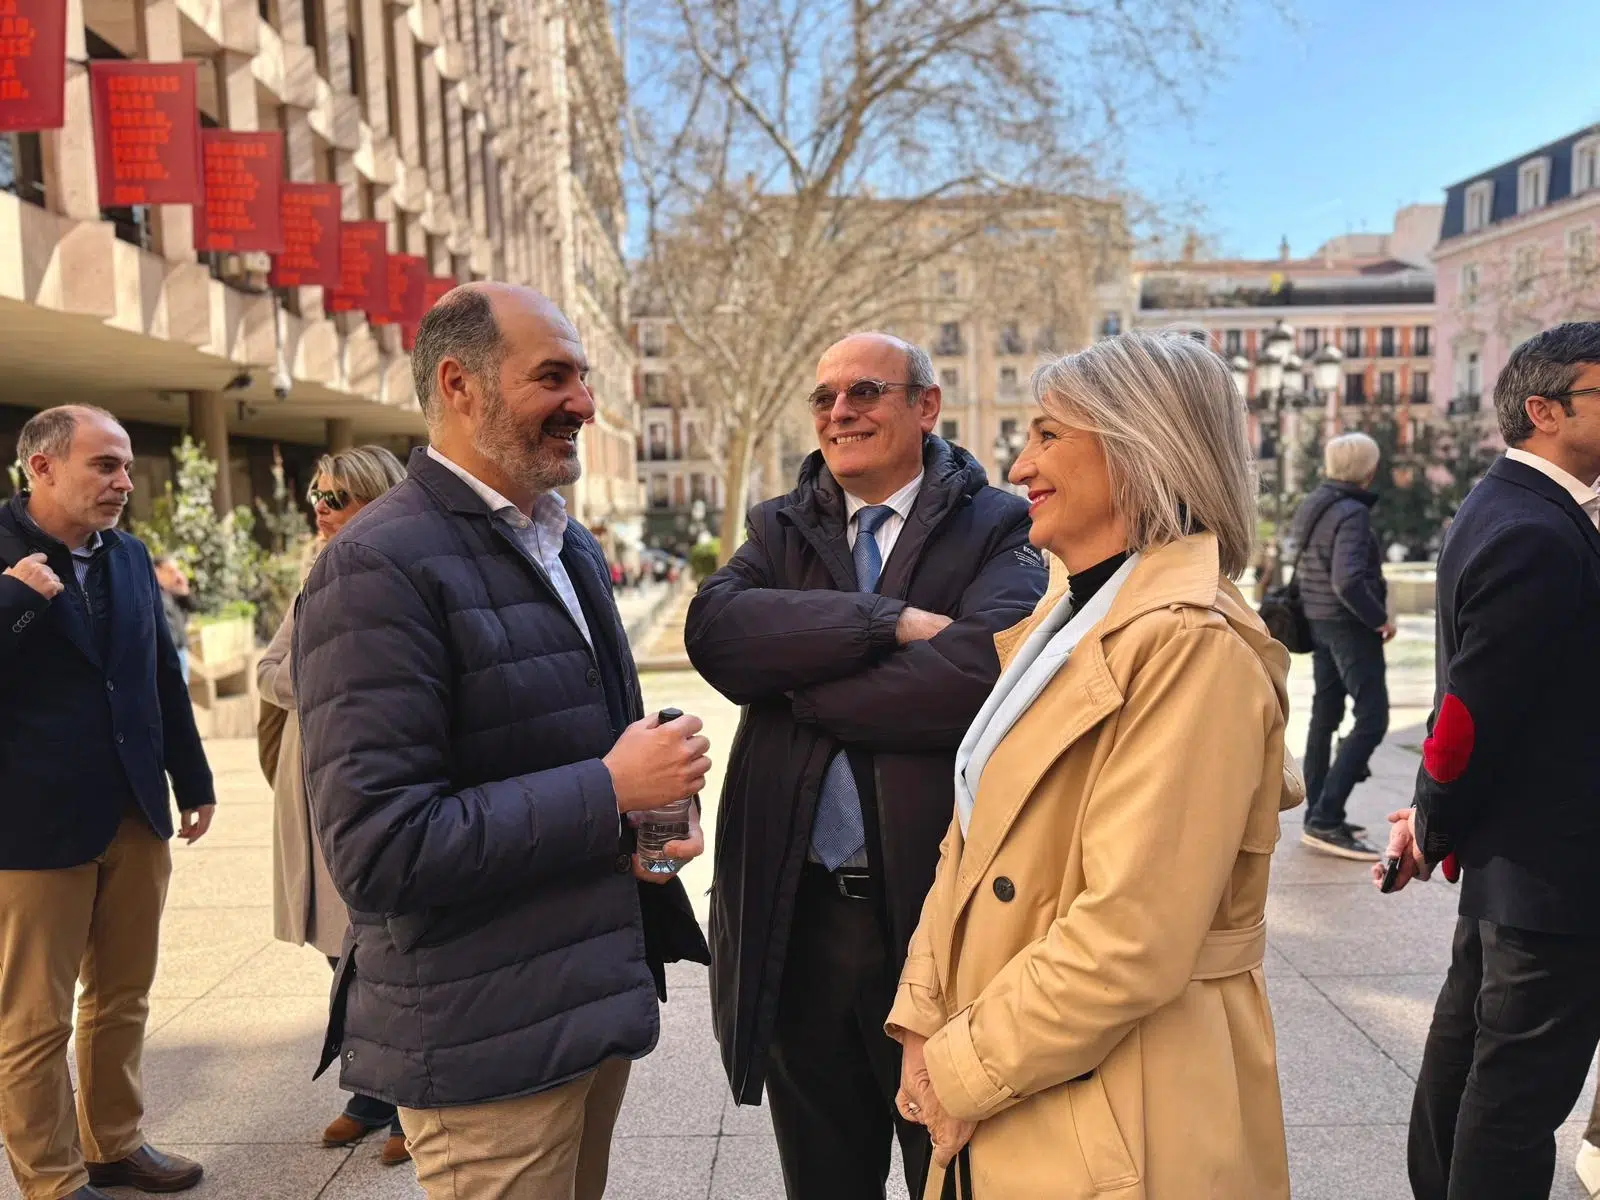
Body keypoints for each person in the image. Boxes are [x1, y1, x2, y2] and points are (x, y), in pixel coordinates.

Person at [293, 283, 712, 1200]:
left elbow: (588, 748)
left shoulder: (565, 544)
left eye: (585, 377)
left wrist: (651, 827)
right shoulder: (375, 569)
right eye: (553, 377)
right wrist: (610, 788)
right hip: (483, 1048)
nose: (586, 403)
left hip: (587, 1005)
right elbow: (379, 850)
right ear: (460, 385)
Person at [886, 332, 1301, 1198]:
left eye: (1047, 435)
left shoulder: (1191, 644)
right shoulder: (1064, 617)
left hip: (1125, 1105)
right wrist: (923, 1023)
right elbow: (969, 844)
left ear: (1137, 444)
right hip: (1030, 1067)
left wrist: (959, 1070)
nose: (1019, 462)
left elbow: (1131, 933)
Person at [685, 332, 1047, 1199]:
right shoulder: (778, 526)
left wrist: (797, 690)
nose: (839, 412)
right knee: (823, 1178)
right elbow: (717, 635)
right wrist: (882, 623)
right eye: (823, 399)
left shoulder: (1000, 524)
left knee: (950, 1173)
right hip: (797, 918)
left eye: (865, 392)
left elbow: (979, 673)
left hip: (939, 919)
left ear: (925, 406)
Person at [1378, 323, 1600, 1200]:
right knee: (1513, 1099)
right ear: (1544, 412)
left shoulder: (1510, 506)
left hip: (1519, 858)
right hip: (1554, 871)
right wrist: (1432, 824)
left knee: (1467, 1059)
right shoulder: (1536, 532)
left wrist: (1433, 822)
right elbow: (1470, 716)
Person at [0, 405, 216, 1200]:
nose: (124, 482)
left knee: (123, 996)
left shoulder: (128, 555)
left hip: (133, 810)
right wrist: (14, 601)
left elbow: (160, 674)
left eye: (126, 465)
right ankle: (52, 1180)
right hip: (31, 826)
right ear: (43, 468)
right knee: (34, 1020)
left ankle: (114, 1144)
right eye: (105, 466)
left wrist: (192, 782)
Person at [256, 445, 408, 1164]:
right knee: (339, 947)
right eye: (316, 494)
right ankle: (375, 1087)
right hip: (312, 781)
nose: (320, 506)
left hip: (377, 775)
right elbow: (269, 673)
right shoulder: (317, 574)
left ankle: (412, 1095)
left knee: (387, 942)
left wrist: (315, 675)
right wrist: (320, 676)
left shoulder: (403, 567)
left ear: (375, 498)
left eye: (337, 496)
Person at [1288, 431, 1396, 861]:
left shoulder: (1314, 503)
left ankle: (1319, 812)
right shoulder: (1351, 512)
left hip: (1316, 619)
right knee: (1373, 717)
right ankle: (1327, 817)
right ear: (1367, 471)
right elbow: (1347, 578)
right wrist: (1379, 618)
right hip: (1347, 624)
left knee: (1325, 714)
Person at [152, 555, 192, 684]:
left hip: (180, 651)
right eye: (171, 571)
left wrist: (184, 589)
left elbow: (192, 608)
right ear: (157, 571)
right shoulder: (150, 594)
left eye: (176, 571)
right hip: (168, 656)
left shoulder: (169, 592)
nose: (176, 575)